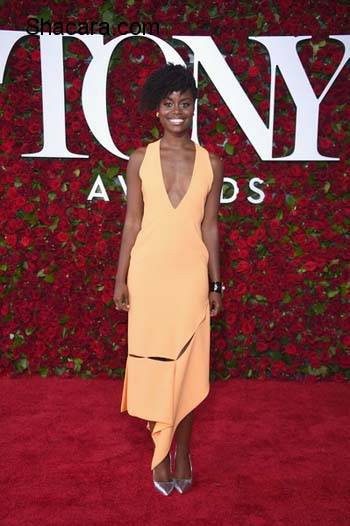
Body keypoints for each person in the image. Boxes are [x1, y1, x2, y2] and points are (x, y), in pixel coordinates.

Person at [114, 62, 224, 495]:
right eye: (168, 103)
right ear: (156, 111)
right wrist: (120, 279)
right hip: (149, 276)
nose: (177, 110)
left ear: (195, 107)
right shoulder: (139, 159)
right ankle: (160, 453)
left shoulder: (213, 163)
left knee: (189, 368)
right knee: (156, 367)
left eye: (184, 102)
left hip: (190, 279)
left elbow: (211, 226)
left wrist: (216, 283)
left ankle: (183, 451)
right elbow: (132, 222)